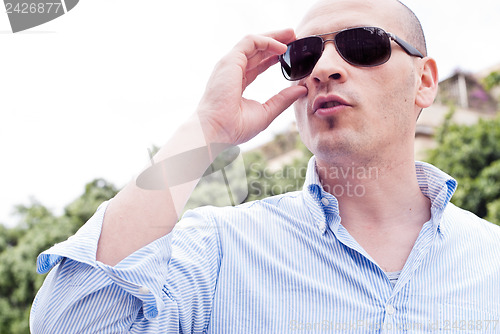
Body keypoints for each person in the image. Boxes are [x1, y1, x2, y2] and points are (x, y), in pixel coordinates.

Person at [31, 0, 500, 332]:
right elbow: (71, 320)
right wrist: (206, 132)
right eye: (304, 56)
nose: (324, 68)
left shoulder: (491, 261)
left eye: (363, 45)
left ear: (424, 80)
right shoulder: (217, 249)